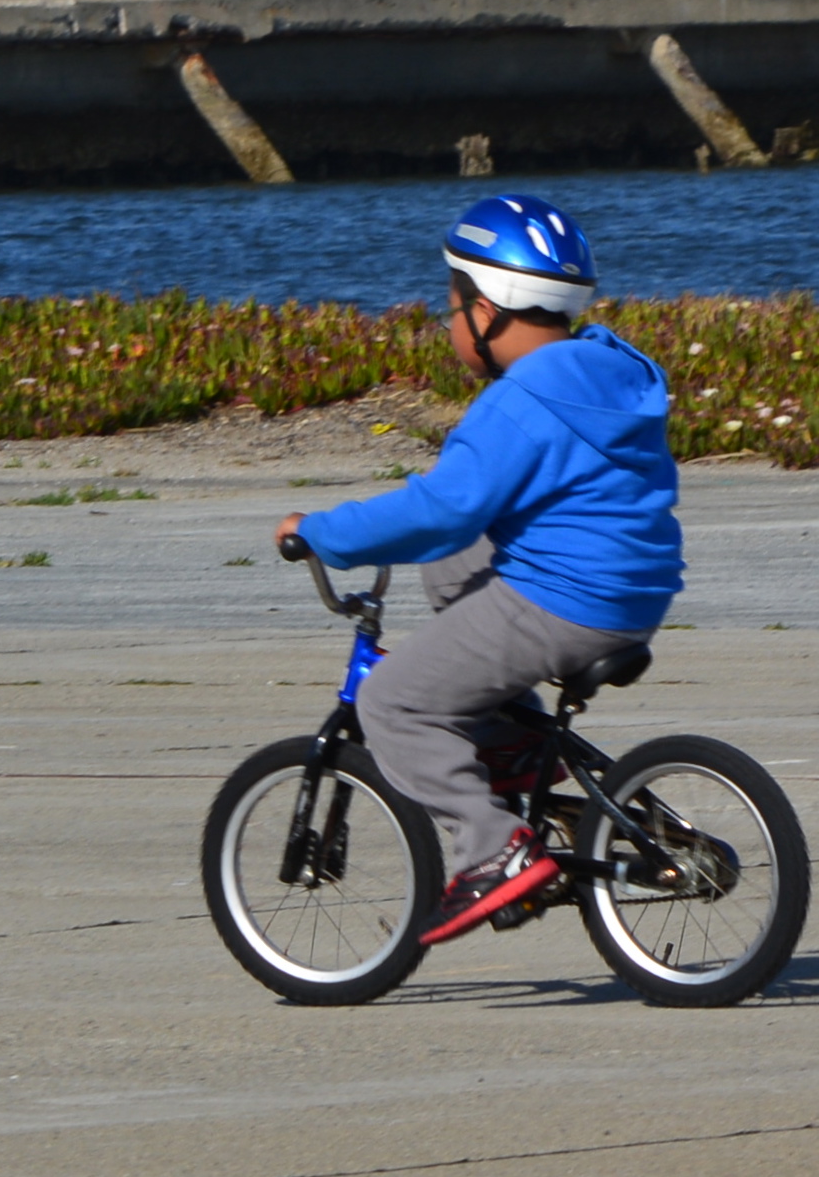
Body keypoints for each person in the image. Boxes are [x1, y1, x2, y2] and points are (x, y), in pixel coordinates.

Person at [274, 194, 683, 944]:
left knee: (391, 702)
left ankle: (494, 849)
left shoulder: (518, 403)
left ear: (487, 310)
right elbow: (461, 532)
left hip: (561, 601)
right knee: (457, 559)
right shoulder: (612, 374)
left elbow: (440, 509)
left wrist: (325, 533)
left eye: (452, 306)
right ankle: (510, 738)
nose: (450, 323)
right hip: (635, 591)